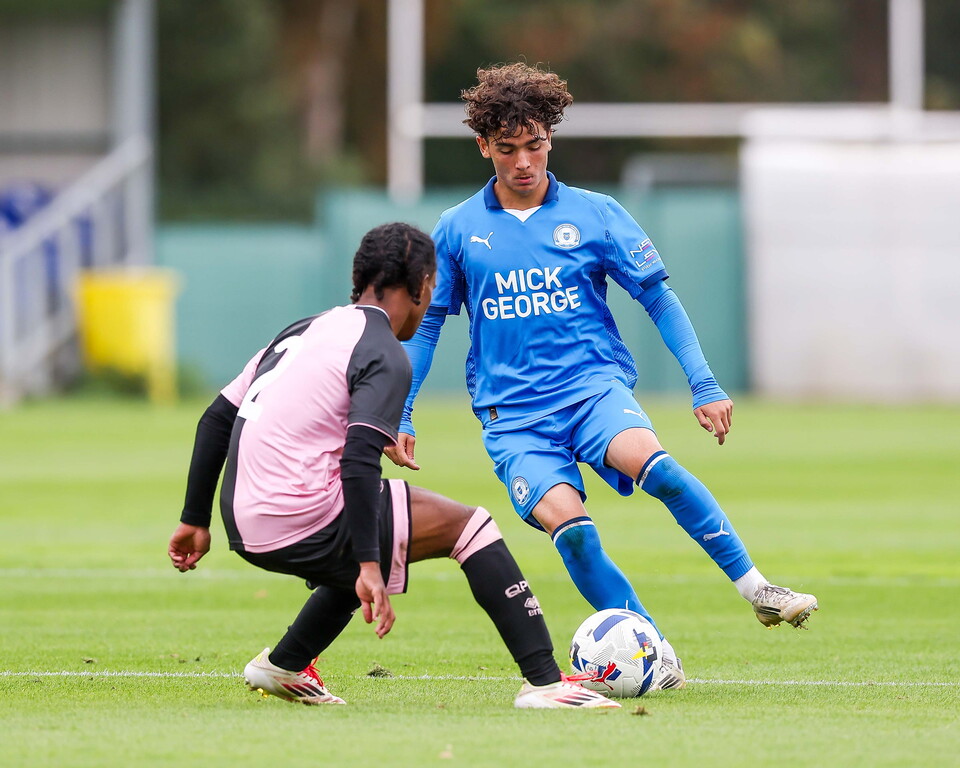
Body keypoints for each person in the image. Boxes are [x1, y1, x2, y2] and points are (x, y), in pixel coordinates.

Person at [386, 64, 818, 690]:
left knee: (659, 467)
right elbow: (427, 328)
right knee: (575, 534)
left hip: (592, 390)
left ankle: (758, 589)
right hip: (514, 419)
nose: (524, 161)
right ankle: (654, 649)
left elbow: (659, 300)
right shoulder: (457, 228)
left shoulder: (596, 214)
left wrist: (704, 384)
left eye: (534, 145)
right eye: (508, 149)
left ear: (550, 140)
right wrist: (401, 414)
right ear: (485, 147)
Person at [167, 222, 618, 710]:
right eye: (432, 288)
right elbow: (358, 460)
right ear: (422, 285)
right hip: (298, 515)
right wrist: (366, 565)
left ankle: (285, 664)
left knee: (387, 526)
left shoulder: (305, 329)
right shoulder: (384, 351)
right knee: (471, 528)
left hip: (242, 520)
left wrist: (195, 520)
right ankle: (546, 684)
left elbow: (216, 420)